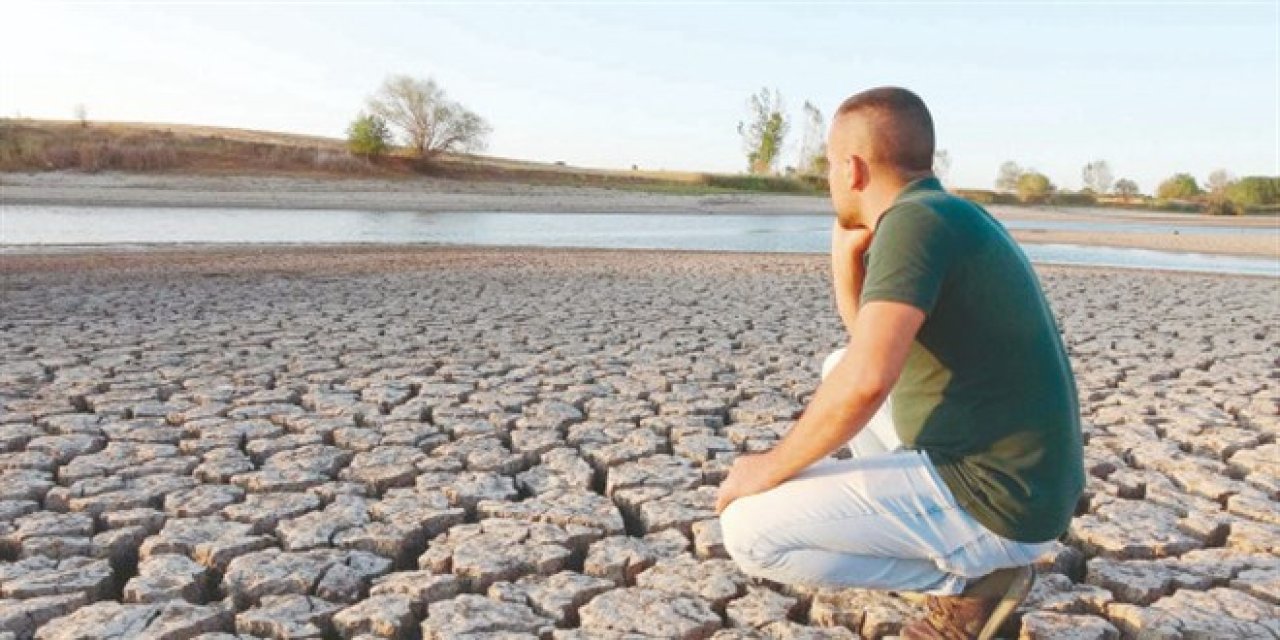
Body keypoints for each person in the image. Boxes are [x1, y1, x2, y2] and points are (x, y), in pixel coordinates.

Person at [716, 87, 1085, 640]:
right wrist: (843, 258)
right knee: (836, 363)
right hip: (1030, 484)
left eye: (829, 167)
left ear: (853, 167)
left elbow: (866, 384)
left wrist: (766, 468)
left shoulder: (913, 227)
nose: (829, 182)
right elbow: (869, 349)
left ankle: (973, 585)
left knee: (748, 531)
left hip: (997, 498)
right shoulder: (945, 214)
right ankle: (976, 574)